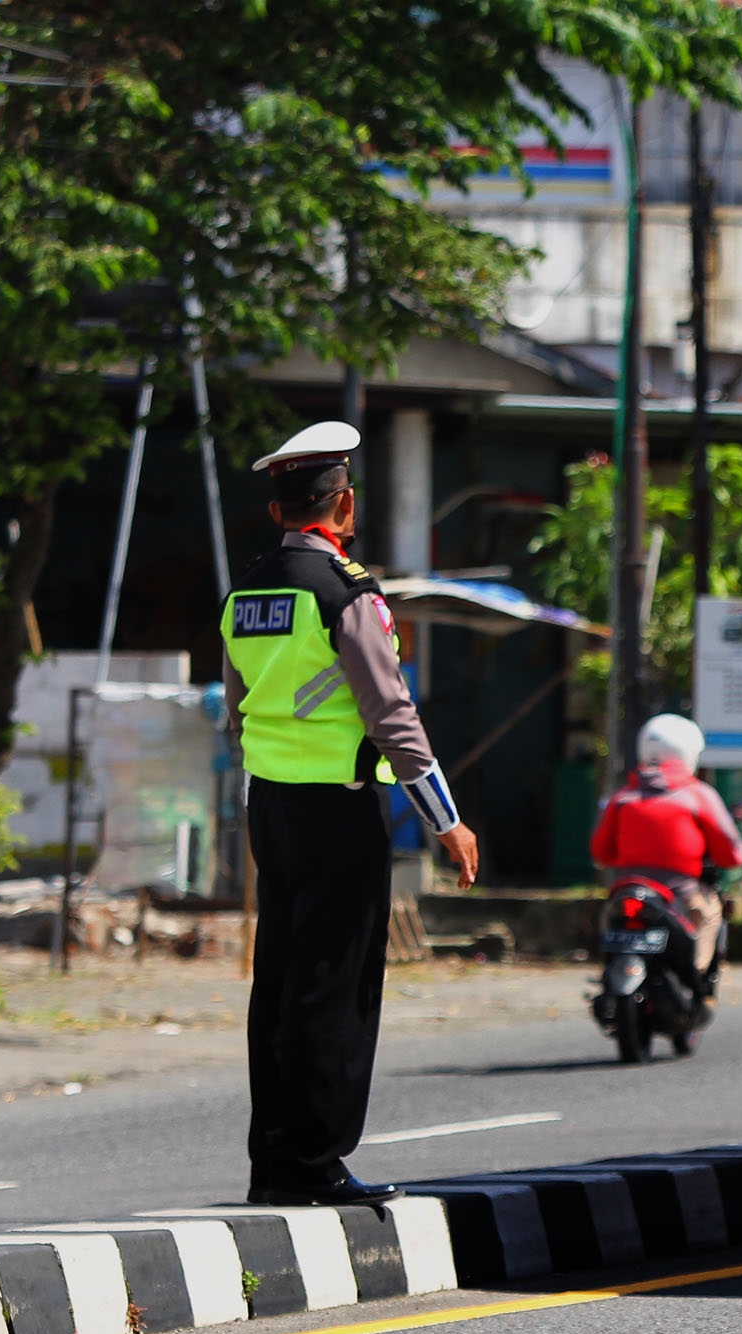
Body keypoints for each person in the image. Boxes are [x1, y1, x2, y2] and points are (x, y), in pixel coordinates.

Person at [221, 421, 479, 1208]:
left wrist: (257, 805)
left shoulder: (246, 592)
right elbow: (391, 714)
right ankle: (318, 1161)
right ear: (345, 507)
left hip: (270, 809)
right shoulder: (347, 593)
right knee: (336, 987)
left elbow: (242, 712)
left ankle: (275, 1158)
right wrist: (446, 819)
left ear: (278, 512)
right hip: (337, 810)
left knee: (282, 983)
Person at [590, 715, 742, 987]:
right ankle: (698, 980)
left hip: (626, 891)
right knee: (711, 916)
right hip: (681, 896)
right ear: (689, 753)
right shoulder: (699, 794)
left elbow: (601, 853)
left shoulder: (622, 795)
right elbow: (730, 856)